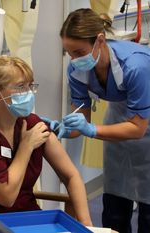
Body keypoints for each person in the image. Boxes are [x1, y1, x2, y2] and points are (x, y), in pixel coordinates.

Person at [0, 55, 92, 226]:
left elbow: (71, 176)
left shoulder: (31, 123)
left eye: (30, 86)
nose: (29, 93)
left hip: (28, 220)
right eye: (20, 87)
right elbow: (6, 197)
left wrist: (87, 226)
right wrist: (26, 146)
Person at [45, 8, 150, 233]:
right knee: (114, 205)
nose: (74, 60)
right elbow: (80, 121)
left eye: (78, 51)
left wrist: (92, 130)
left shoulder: (135, 65)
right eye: (69, 53)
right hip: (120, 119)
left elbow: (138, 128)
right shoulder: (78, 71)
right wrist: (60, 128)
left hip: (143, 123)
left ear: (99, 40)